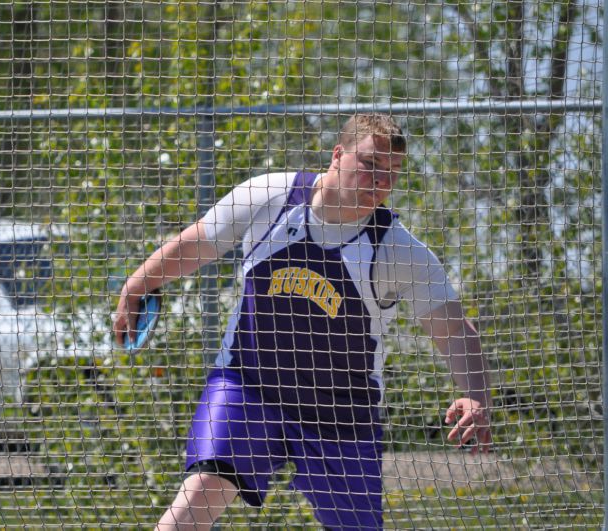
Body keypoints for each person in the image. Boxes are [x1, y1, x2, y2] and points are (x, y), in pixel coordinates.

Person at [112, 113, 492, 530]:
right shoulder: (269, 196)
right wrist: (136, 285)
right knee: (197, 497)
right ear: (337, 155)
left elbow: (454, 330)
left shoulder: (397, 250)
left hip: (340, 413)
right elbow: (197, 242)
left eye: (392, 173)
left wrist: (476, 395)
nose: (380, 180)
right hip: (250, 386)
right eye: (370, 164)